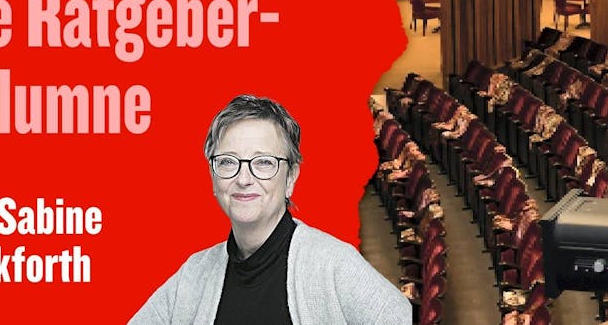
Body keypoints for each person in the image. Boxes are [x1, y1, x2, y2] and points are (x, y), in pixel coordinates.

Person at [132, 95, 411, 324]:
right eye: (228, 162)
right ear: (213, 176)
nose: (243, 179)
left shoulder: (333, 265)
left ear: (290, 177)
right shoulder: (194, 274)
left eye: (264, 162)